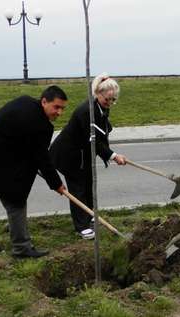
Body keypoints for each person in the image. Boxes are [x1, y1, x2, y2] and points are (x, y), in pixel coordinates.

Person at [0, 85, 68, 258]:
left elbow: (24, 145)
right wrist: (56, 184)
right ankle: (21, 247)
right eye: (56, 107)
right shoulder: (41, 125)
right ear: (44, 101)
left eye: (63, 108)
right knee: (16, 202)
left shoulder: (25, 101)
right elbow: (42, 158)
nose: (59, 112)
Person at [50, 73, 127, 240]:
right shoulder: (87, 111)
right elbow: (95, 142)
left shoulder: (101, 108)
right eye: (107, 99)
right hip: (69, 155)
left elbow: (102, 133)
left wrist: (112, 152)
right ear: (98, 94)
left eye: (113, 100)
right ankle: (81, 226)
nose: (110, 103)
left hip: (84, 155)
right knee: (78, 189)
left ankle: (89, 214)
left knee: (88, 184)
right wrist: (113, 156)